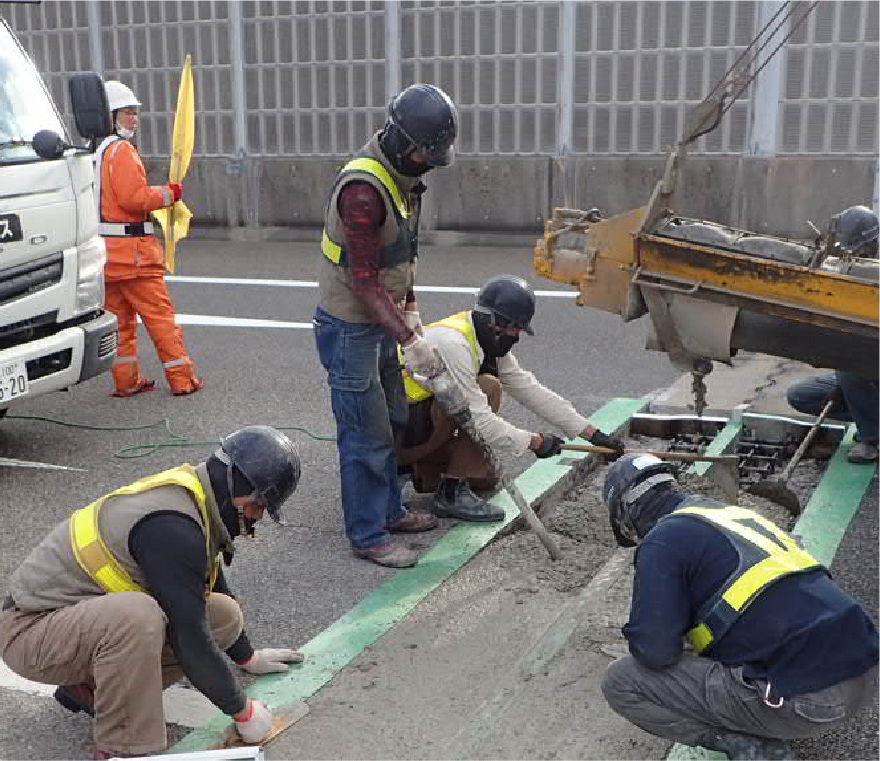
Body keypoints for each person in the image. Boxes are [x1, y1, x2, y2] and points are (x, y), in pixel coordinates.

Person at [0, 426, 304, 760]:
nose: (255, 520)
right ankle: (124, 749)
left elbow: (205, 581)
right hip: (30, 631)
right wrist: (244, 713)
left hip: (75, 621)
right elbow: (191, 640)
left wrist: (247, 657)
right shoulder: (173, 528)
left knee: (223, 616)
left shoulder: (199, 497)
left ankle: (90, 690)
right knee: (137, 616)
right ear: (238, 488)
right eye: (258, 508)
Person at [599, 454, 879, 760]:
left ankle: (749, 747)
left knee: (622, 681)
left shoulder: (660, 542)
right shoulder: (731, 517)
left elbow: (655, 651)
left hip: (811, 704)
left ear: (627, 515)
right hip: (864, 673)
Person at [313, 83, 458, 569]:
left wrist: (410, 307)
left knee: (394, 415)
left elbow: (402, 257)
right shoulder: (362, 191)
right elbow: (364, 281)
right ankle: (368, 532)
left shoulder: (402, 177)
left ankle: (389, 509)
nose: (426, 161)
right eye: (422, 151)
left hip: (381, 320)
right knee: (363, 432)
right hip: (352, 326)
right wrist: (411, 338)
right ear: (399, 140)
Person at [396, 274, 625, 521]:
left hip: (422, 423)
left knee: (485, 477)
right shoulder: (454, 343)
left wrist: (592, 434)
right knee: (488, 387)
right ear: (493, 320)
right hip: (403, 430)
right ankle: (444, 489)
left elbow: (529, 389)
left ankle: (425, 470)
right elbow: (479, 422)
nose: (516, 335)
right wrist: (534, 442)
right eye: (514, 326)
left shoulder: (484, 340)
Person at [96, 80, 204, 397]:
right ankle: (183, 379)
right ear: (112, 115)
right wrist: (168, 193)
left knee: (120, 323)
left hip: (108, 256)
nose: (134, 119)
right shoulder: (122, 151)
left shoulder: (97, 153)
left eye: (135, 113)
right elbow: (134, 198)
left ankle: (126, 382)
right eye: (129, 112)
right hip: (135, 256)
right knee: (160, 318)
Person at [788, 205, 879, 464]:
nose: (855, 255)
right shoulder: (852, 268)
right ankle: (870, 412)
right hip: (871, 370)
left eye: (859, 250)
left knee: (849, 361)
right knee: (800, 396)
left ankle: (872, 440)